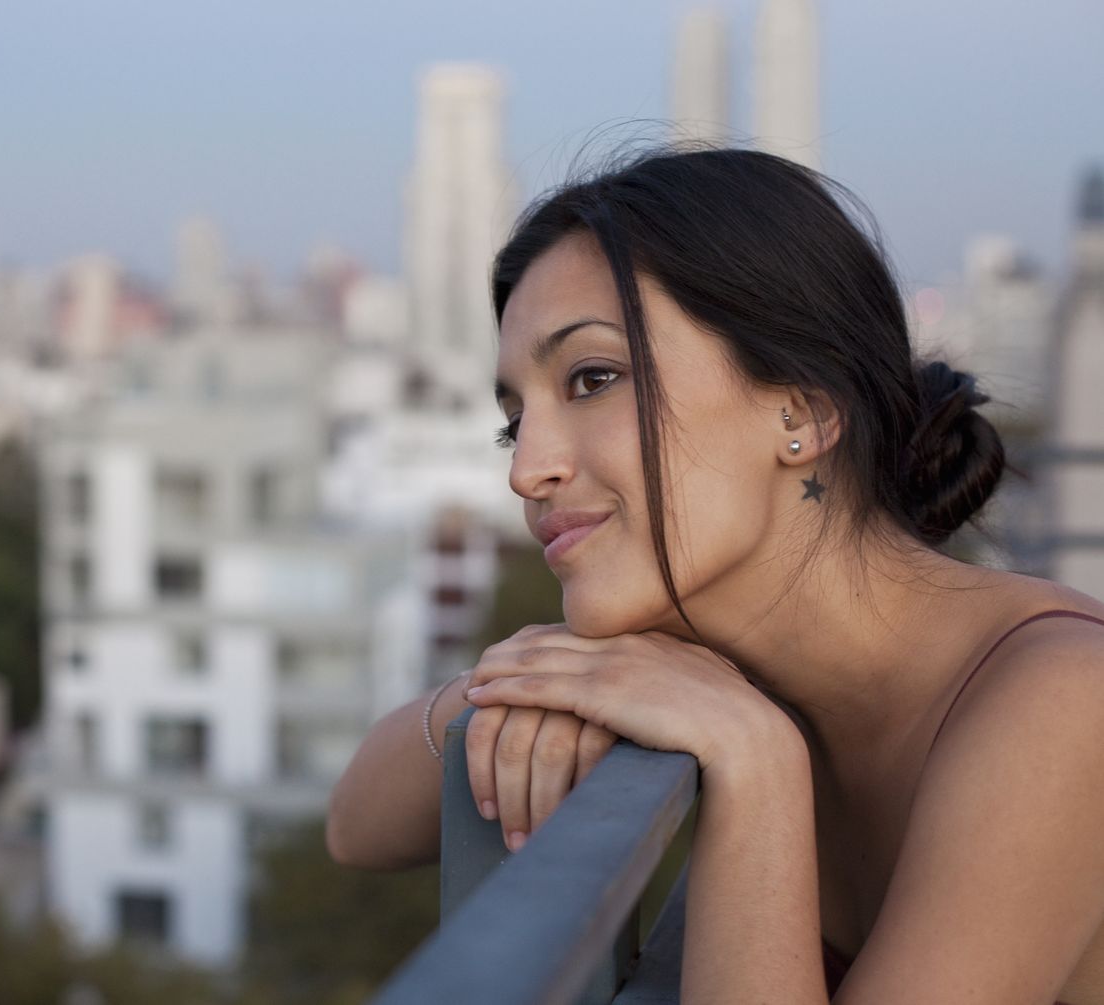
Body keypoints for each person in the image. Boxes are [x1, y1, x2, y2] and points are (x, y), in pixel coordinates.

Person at [325, 147, 1104, 1004]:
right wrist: (524, 678)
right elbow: (356, 825)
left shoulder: (1066, 699)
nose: (528, 470)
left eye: (593, 379)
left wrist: (754, 756)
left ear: (800, 412)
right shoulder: (695, 646)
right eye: (515, 423)